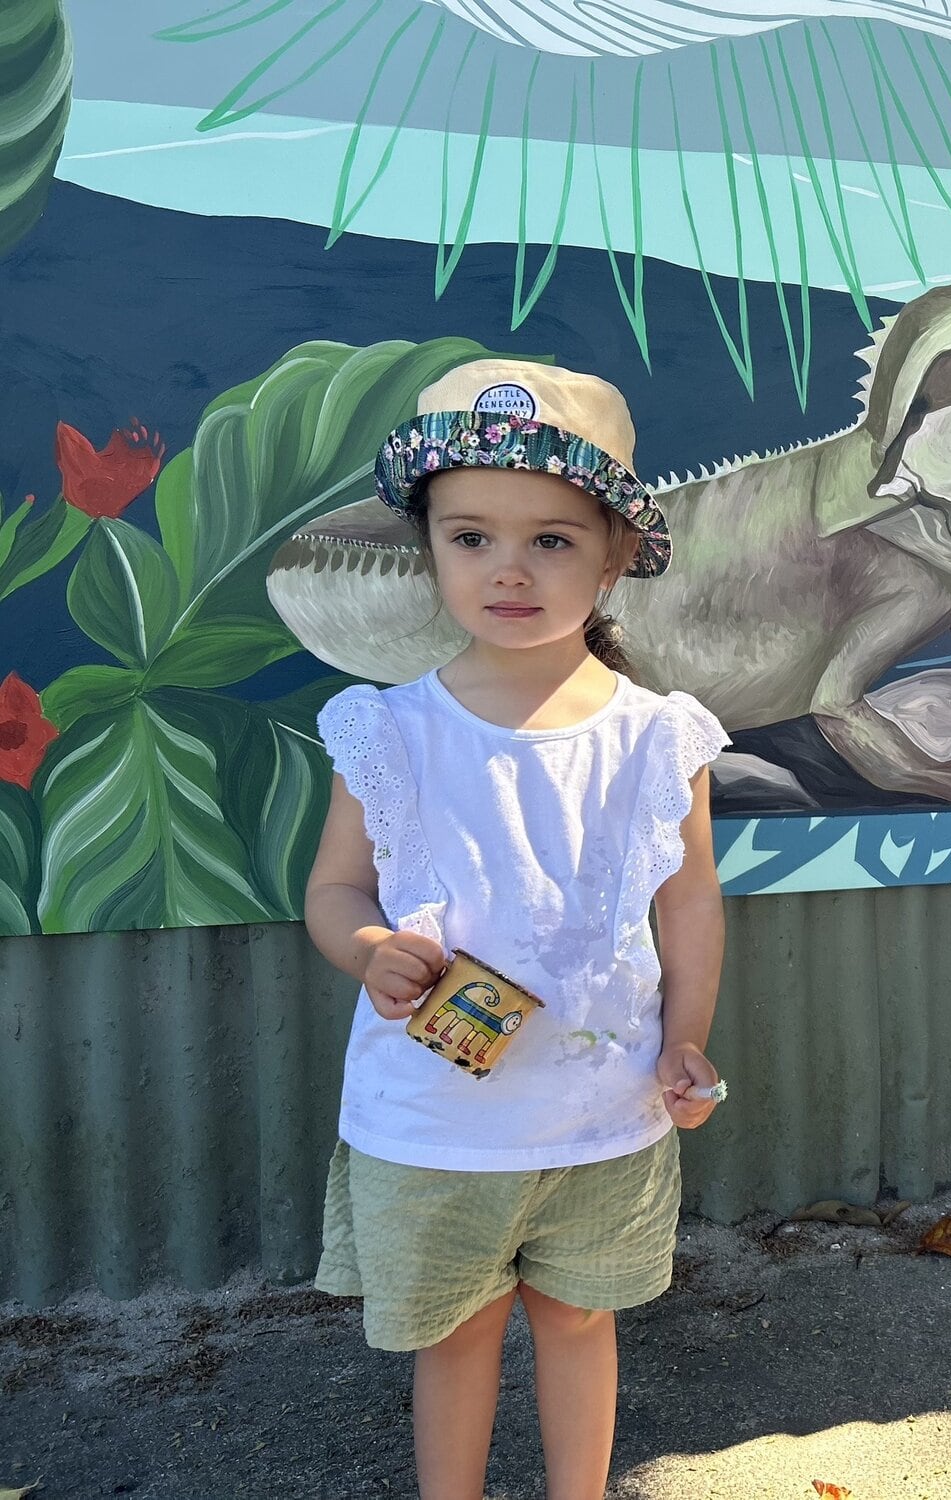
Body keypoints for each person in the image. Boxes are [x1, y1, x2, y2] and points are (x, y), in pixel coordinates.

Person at [301, 360, 729, 1500]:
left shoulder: (658, 738)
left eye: (550, 540)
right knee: (455, 1339)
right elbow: (336, 891)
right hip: (435, 1125)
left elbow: (688, 902)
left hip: (603, 1120)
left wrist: (686, 1039)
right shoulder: (388, 732)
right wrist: (366, 951)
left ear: (615, 552)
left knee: (581, 1325)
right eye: (470, 536)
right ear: (429, 549)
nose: (507, 568)